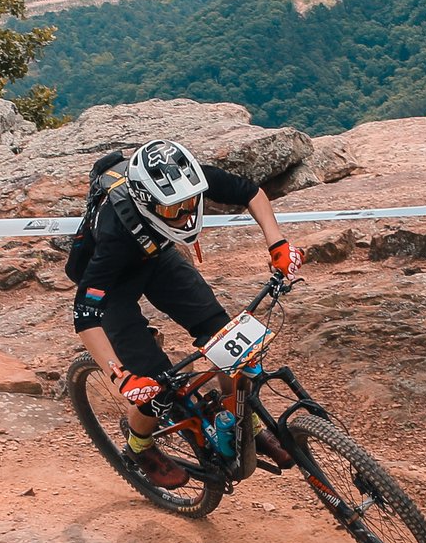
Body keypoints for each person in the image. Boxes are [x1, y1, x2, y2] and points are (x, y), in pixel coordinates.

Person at [71, 138, 306, 488]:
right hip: (113, 285)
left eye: (189, 204)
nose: (185, 216)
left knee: (228, 343)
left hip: (157, 257)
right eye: (172, 210)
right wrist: (121, 377)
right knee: (156, 387)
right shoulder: (115, 233)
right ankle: (139, 446)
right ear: (147, 202)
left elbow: (250, 192)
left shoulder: (187, 179)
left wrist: (277, 244)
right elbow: (85, 315)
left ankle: (245, 424)